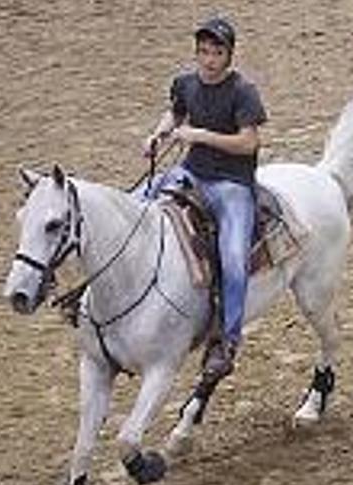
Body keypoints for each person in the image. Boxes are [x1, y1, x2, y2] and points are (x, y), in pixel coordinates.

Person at [142, 15, 267, 384]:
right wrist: (158, 135)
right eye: (203, 52)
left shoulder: (243, 92)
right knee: (136, 206)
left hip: (232, 184)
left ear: (229, 56)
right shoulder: (185, 83)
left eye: (216, 52)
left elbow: (249, 142)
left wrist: (201, 135)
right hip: (191, 173)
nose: (209, 59)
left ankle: (227, 340)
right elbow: (176, 111)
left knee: (232, 256)